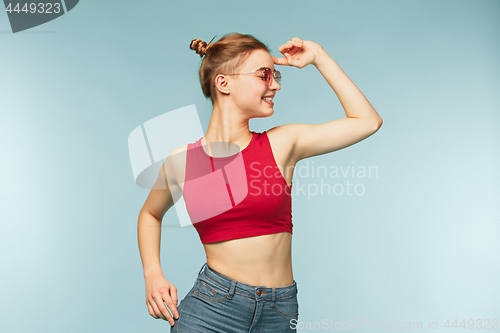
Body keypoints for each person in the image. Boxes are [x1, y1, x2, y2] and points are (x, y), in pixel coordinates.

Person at [137, 32, 383, 332]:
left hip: (280, 311)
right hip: (212, 309)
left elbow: (367, 121)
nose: (276, 84)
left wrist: (318, 56)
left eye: (275, 75)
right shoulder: (183, 161)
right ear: (224, 83)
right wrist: (153, 275)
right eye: (264, 75)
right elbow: (150, 214)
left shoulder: (282, 144)